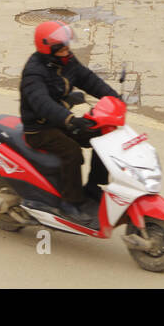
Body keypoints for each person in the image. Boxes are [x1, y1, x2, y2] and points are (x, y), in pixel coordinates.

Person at [20, 21, 122, 214]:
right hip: (40, 129)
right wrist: (69, 120)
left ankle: (94, 186)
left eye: (67, 43)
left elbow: (87, 79)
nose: (67, 48)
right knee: (72, 152)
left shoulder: (66, 60)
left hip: (61, 120)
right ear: (49, 48)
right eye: (62, 45)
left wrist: (113, 97)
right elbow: (43, 105)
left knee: (102, 135)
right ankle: (70, 202)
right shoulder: (34, 73)